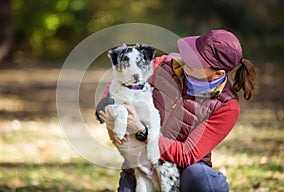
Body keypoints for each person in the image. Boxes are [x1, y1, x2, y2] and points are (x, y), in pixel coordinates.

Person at [98, 29, 257, 192]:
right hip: (142, 163)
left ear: (217, 73)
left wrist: (142, 131)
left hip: (187, 173)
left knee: (205, 181)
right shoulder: (167, 65)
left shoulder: (226, 105)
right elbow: (119, 83)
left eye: (197, 61)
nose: (188, 60)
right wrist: (113, 122)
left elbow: (187, 154)